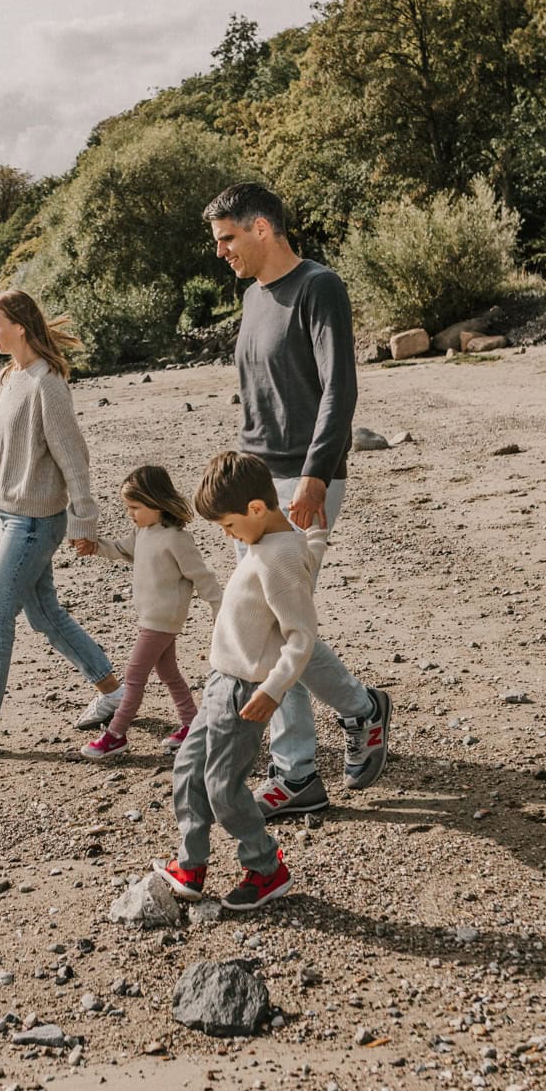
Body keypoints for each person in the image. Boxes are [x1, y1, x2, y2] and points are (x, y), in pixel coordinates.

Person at [203, 182, 390, 816]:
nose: (221, 251)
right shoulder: (252, 298)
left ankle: (308, 761)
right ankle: (336, 735)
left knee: (278, 621)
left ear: (261, 228)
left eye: (227, 238)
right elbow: (257, 398)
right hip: (258, 481)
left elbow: (340, 389)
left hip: (305, 480)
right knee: (273, 620)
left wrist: (314, 474)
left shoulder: (319, 286)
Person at [155, 451, 392, 910]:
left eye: (227, 525)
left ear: (257, 509)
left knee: (223, 785)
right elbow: (308, 553)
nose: (227, 535)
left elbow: (302, 638)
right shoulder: (275, 543)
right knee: (188, 768)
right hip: (221, 681)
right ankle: (191, 864)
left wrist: (273, 689)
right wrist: (318, 533)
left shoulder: (276, 558)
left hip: (246, 690)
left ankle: (266, 869)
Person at [0, 289, 122, 762]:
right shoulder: (10, 377)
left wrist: (84, 521)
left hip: (35, 524)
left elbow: (74, 460)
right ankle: (114, 691)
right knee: (44, 616)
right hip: (9, 516)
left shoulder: (47, 385)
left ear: (20, 326)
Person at [80, 465, 222, 760]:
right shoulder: (143, 532)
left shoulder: (176, 539)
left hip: (163, 619)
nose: (130, 513)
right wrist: (95, 547)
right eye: (127, 507)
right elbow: (120, 550)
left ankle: (116, 734)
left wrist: (219, 609)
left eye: (135, 507)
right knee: (168, 672)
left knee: (133, 676)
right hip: (151, 617)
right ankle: (193, 724)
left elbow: (202, 576)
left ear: (157, 502)